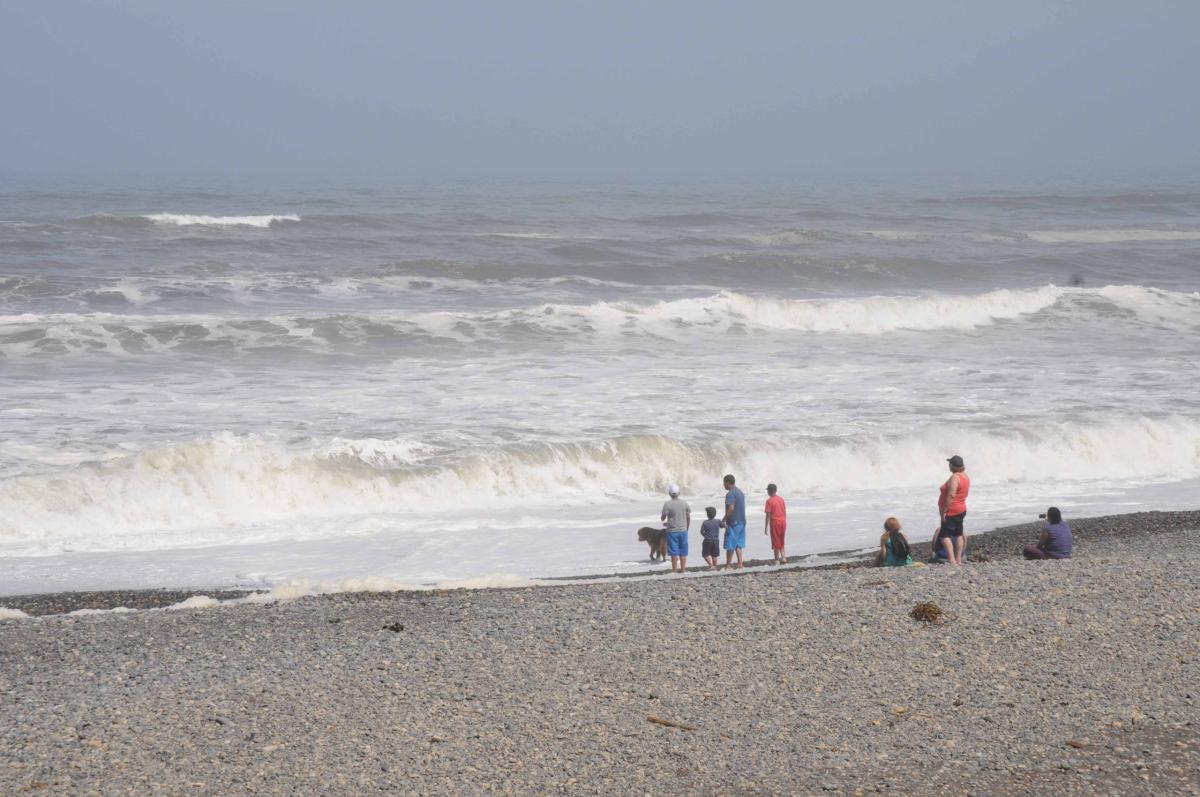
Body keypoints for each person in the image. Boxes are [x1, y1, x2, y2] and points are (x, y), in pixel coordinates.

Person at [937, 455, 970, 565]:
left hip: (953, 510)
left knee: (944, 535)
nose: (949, 466)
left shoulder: (955, 477)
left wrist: (945, 510)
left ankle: (952, 560)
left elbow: (951, 495)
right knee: (958, 534)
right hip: (961, 508)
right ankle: (958, 559)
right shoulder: (965, 476)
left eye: (950, 464)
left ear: (953, 466)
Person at [660, 484, 691, 574]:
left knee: (674, 552)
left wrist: (666, 519)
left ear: (670, 494)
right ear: (679, 493)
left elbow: (663, 518)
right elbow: (688, 517)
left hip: (672, 532)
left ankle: (674, 572)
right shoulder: (684, 503)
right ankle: (683, 571)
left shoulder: (667, 504)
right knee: (683, 552)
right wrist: (686, 528)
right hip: (683, 531)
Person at [722, 474, 746, 569]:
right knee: (738, 544)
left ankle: (728, 565)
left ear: (728, 483)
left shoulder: (730, 494)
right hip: (742, 521)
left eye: (724, 483)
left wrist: (724, 520)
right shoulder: (740, 492)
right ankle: (740, 563)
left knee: (730, 544)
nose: (723, 485)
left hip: (733, 522)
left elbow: (731, 508)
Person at [763, 483, 787, 564]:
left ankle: (777, 560)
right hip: (783, 522)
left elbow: (768, 515)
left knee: (775, 541)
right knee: (781, 540)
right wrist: (784, 520)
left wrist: (766, 527)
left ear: (769, 491)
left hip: (775, 523)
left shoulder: (769, 501)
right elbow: (784, 511)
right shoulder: (781, 499)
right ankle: (783, 557)